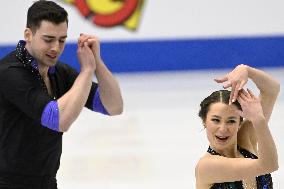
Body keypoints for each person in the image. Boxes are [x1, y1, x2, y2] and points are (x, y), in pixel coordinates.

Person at [0, 0, 123, 188]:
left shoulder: (59, 72)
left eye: (62, 40)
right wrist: (86, 71)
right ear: (28, 35)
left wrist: (96, 62)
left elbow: (113, 106)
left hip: (46, 181)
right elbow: (58, 119)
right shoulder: (11, 73)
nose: (56, 48)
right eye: (48, 39)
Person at [195, 64, 280, 188]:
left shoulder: (246, 139)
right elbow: (269, 164)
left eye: (231, 121)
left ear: (240, 123)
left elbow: (272, 89)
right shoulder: (207, 166)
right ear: (204, 121)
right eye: (216, 120)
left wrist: (247, 70)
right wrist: (258, 120)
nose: (223, 129)